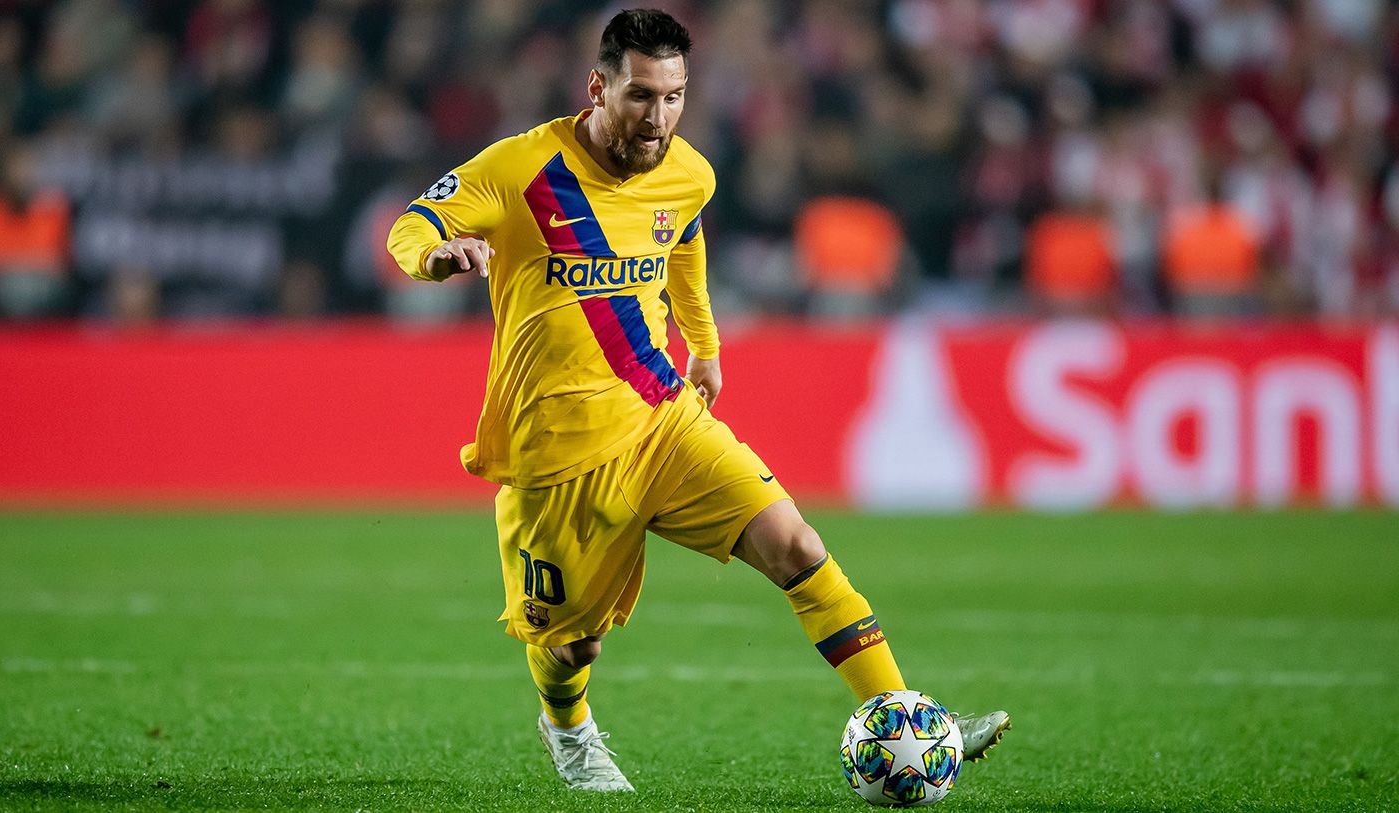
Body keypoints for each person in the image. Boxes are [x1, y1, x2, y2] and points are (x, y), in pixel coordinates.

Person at [387, 8, 1010, 792]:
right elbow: (411, 223)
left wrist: (705, 344)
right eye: (642, 96)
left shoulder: (690, 171)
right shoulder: (520, 170)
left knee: (798, 546)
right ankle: (568, 725)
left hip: (662, 415)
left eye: (675, 97)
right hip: (559, 454)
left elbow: (684, 238)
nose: (659, 118)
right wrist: (436, 256)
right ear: (598, 87)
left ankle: (910, 720)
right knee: (569, 645)